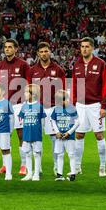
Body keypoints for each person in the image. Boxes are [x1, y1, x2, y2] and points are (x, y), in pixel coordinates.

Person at [71, 37, 106, 177]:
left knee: (99, 135)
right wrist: (74, 103)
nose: (84, 49)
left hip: (95, 105)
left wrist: (103, 106)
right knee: (79, 135)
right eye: (82, 46)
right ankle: (77, 166)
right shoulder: (77, 65)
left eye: (87, 46)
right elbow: (74, 85)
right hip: (80, 106)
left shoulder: (100, 64)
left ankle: (102, 167)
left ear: (93, 48)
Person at [0, 38, 31, 175]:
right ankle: (5, 165)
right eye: (6, 47)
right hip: (4, 105)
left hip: (19, 104)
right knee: (4, 136)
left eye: (10, 47)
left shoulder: (23, 65)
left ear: (16, 49)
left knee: (21, 135)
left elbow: (29, 84)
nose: (7, 49)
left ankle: (23, 165)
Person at [30, 42, 66, 175]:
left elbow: (62, 91)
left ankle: (57, 166)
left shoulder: (58, 70)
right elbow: (28, 89)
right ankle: (37, 167)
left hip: (53, 108)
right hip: (37, 108)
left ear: (50, 52)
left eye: (46, 51)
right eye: (41, 52)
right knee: (35, 138)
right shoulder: (32, 70)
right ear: (38, 54)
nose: (44, 54)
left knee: (55, 138)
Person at [18, 84, 46, 181]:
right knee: (27, 154)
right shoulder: (24, 106)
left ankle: (36, 174)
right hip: (26, 134)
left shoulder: (39, 106)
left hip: (36, 134)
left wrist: (40, 132)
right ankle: (29, 173)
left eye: (26, 92)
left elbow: (43, 121)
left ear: (33, 94)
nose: (24, 94)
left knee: (36, 154)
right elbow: (22, 119)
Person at [50, 89, 79, 181]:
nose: (60, 103)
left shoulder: (72, 109)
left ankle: (73, 174)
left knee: (71, 154)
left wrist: (69, 132)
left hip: (69, 136)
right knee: (60, 155)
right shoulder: (56, 109)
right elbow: (53, 120)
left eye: (62, 100)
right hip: (59, 136)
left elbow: (77, 123)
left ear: (67, 99)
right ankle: (59, 174)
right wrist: (56, 132)